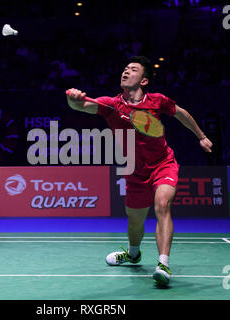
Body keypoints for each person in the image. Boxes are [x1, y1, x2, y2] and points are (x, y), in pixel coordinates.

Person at [66, 56, 213, 287]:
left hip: (163, 163)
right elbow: (82, 106)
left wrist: (202, 137)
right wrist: (73, 99)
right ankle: (134, 254)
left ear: (143, 80)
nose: (126, 72)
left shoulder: (157, 101)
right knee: (135, 221)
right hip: (134, 171)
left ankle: (163, 264)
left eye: (133, 70)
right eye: (125, 69)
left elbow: (181, 113)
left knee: (162, 204)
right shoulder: (111, 105)